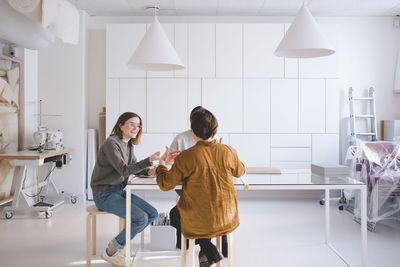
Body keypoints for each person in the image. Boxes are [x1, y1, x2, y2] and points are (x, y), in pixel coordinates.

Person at [156, 109, 245, 267]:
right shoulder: (228, 151)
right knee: (201, 213)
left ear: (193, 132)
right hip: (228, 217)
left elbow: (165, 184)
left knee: (177, 214)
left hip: (200, 220)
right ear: (215, 130)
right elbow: (240, 171)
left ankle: (207, 248)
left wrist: (161, 165)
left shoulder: (187, 156)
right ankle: (207, 249)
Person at [91, 112, 177, 267]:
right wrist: (149, 160)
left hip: (119, 191)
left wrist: (161, 163)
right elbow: (124, 170)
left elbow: (139, 171)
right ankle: (111, 251)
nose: (136, 128)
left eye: (138, 125)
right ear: (121, 125)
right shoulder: (111, 143)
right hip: (104, 194)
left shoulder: (128, 145)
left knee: (152, 214)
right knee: (140, 218)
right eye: (132, 123)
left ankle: (118, 244)